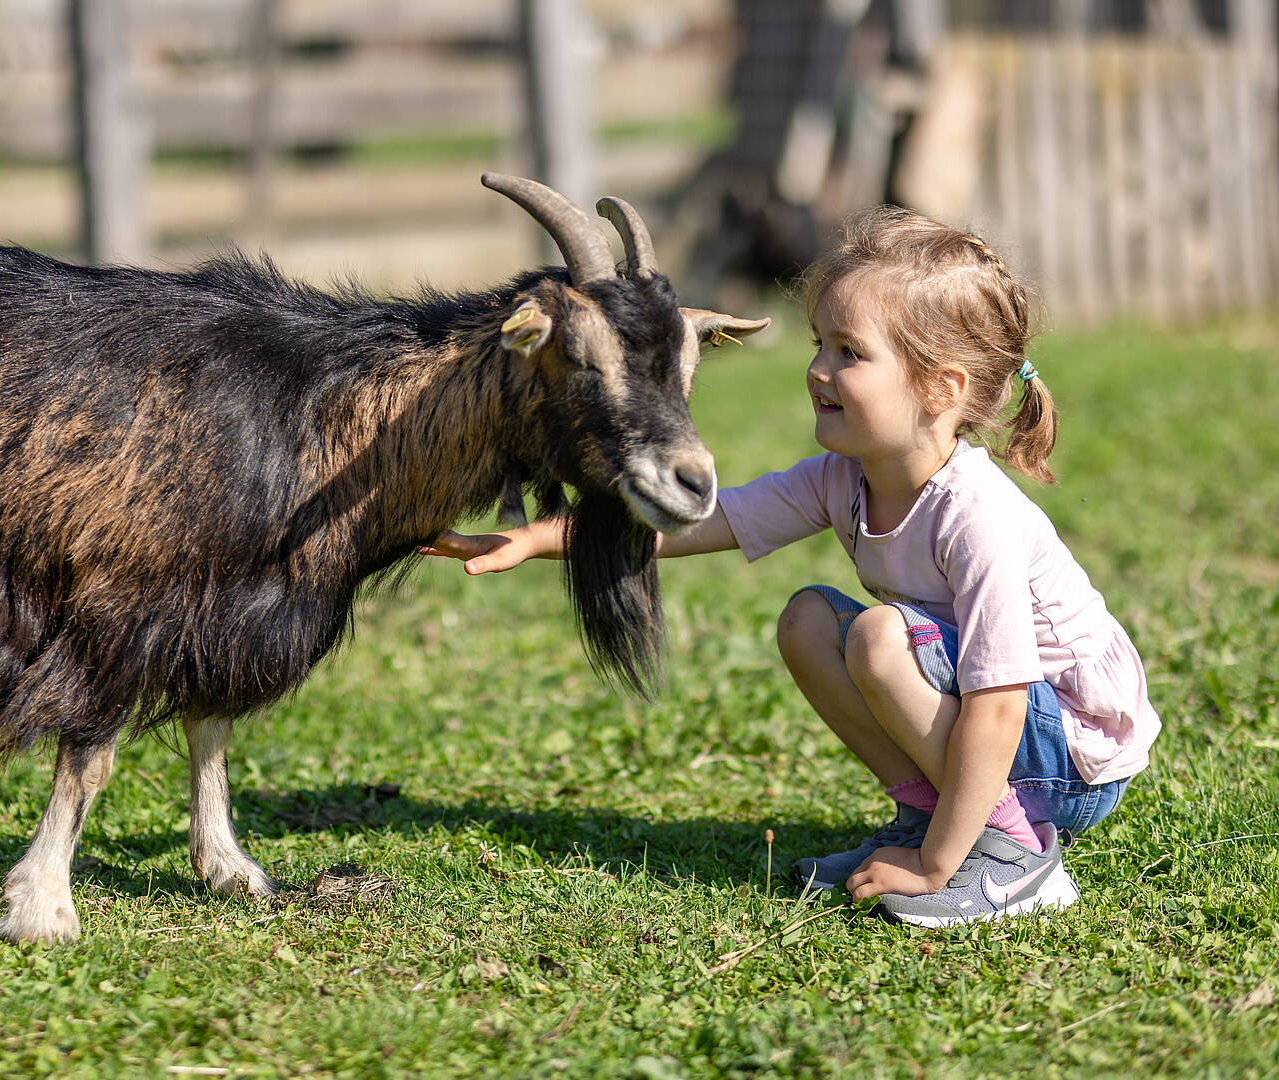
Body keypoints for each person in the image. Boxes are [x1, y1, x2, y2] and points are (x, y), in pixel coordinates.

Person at [422, 206, 1157, 927]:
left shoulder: (976, 515)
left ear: (942, 389)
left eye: (849, 352)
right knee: (809, 619)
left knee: (878, 636)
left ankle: (1014, 852)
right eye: (819, 343)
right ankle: (929, 815)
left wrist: (934, 870)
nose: (817, 369)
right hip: (994, 722)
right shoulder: (844, 477)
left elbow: (999, 704)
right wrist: (540, 538)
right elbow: (714, 521)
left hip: (1072, 757)